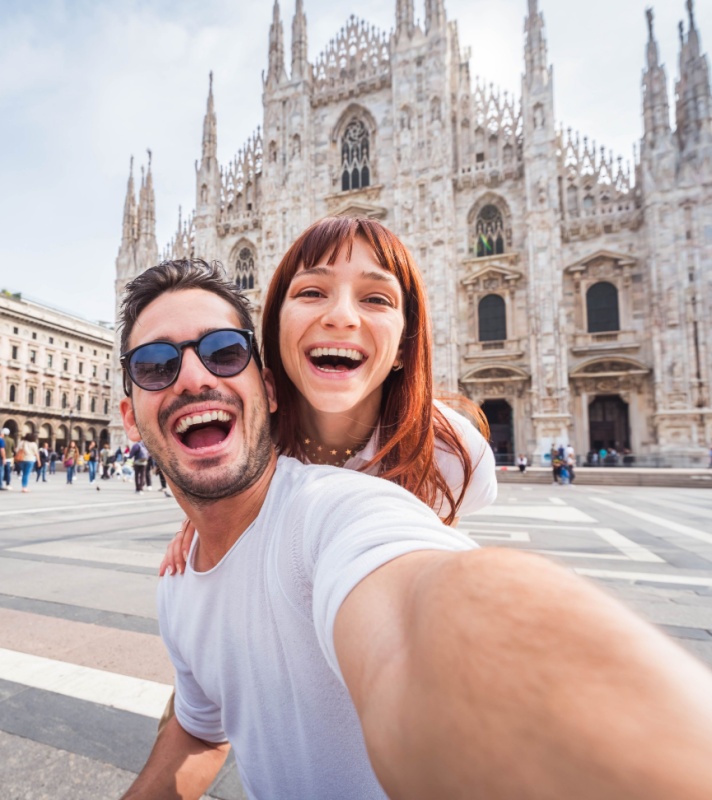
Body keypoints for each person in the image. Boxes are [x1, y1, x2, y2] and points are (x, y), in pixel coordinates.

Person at [116, 259, 712, 800]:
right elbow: (201, 729)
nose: (193, 376)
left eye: (223, 352)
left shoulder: (339, 513)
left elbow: (419, 607)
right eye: (154, 365)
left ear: (269, 388)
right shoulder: (180, 581)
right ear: (131, 421)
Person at [162, 216, 495, 575]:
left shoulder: (451, 454)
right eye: (311, 292)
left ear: (403, 346)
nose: (341, 316)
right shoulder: (240, 434)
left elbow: (434, 559)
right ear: (274, 328)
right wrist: (209, 512)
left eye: (376, 298)